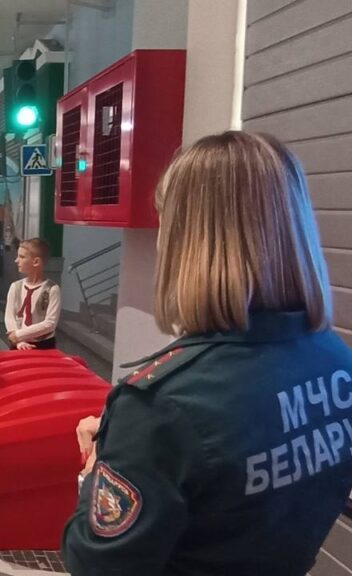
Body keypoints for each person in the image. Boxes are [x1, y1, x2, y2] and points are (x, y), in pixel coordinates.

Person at [64, 131, 352, 575]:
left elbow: (95, 565)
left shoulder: (160, 404)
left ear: (186, 242)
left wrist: (99, 464)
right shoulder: (334, 358)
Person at [4, 238, 61, 350]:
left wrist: (19, 335)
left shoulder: (52, 289)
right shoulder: (15, 287)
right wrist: (18, 341)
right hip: (18, 343)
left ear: (36, 262)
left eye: (22, 257)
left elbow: (50, 323)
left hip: (43, 345)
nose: (16, 260)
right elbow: (10, 316)